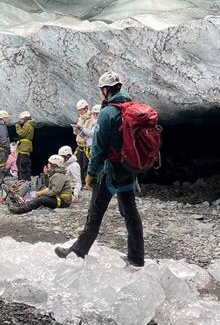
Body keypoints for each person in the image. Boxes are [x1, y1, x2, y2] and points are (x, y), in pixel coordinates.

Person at [55, 72, 145, 267]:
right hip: (128, 170)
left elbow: (98, 148)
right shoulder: (132, 109)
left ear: (106, 90)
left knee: (95, 213)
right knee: (131, 214)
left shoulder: (107, 113)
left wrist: (90, 174)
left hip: (109, 172)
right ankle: (137, 258)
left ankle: (77, 252)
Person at [8, 155, 74, 214]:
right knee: (38, 194)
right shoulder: (55, 174)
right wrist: (45, 175)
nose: (48, 164)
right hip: (58, 197)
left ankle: (22, 209)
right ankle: (21, 203)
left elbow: (55, 191)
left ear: (54, 165)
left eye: (49, 163)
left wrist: (41, 194)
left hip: (62, 201)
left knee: (41, 199)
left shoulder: (58, 176)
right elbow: (49, 186)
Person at [72, 99, 97, 179]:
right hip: (80, 145)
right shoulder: (80, 119)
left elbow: (91, 133)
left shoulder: (92, 119)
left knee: (86, 164)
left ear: (86, 108)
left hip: (87, 145)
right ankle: (80, 180)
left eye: (81, 110)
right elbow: (76, 133)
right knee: (79, 163)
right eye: (79, 111)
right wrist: (76, 129)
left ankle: (87, 181)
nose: (80, 112)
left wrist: (82, 129)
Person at [15, 111, 35, 183]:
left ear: (25, 118)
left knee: (21, 163)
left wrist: (17, 127)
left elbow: (21, 134)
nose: (22, 120)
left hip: (24, 146)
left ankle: (22, 181)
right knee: (26, 163)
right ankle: (27, 180)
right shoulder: (30, 124)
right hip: (26, 146)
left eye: (22, 119)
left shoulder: (27, 124)